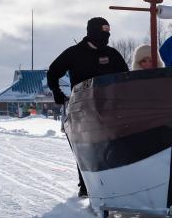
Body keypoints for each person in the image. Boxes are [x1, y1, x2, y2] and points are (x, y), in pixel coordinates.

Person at [46, 17, 129, 197]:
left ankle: (114, 182)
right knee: (85, 146)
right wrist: (57, 92)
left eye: (108, 32)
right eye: (103, 31)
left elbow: (126, 78)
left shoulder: (112, 54)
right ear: (91, 32)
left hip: (110, 109)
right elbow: (53, 72)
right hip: (82, 109)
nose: (106, 35)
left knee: (111, 146)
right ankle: (86, 184)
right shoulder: (74, 53)